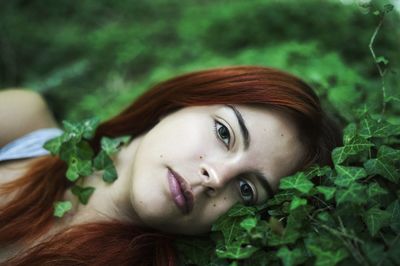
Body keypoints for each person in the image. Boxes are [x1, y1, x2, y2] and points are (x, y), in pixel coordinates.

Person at [0, 66, 341, 265]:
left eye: (247, 189)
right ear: (178, 104)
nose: (217, 177)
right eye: (224, 133)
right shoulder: (21, 119)